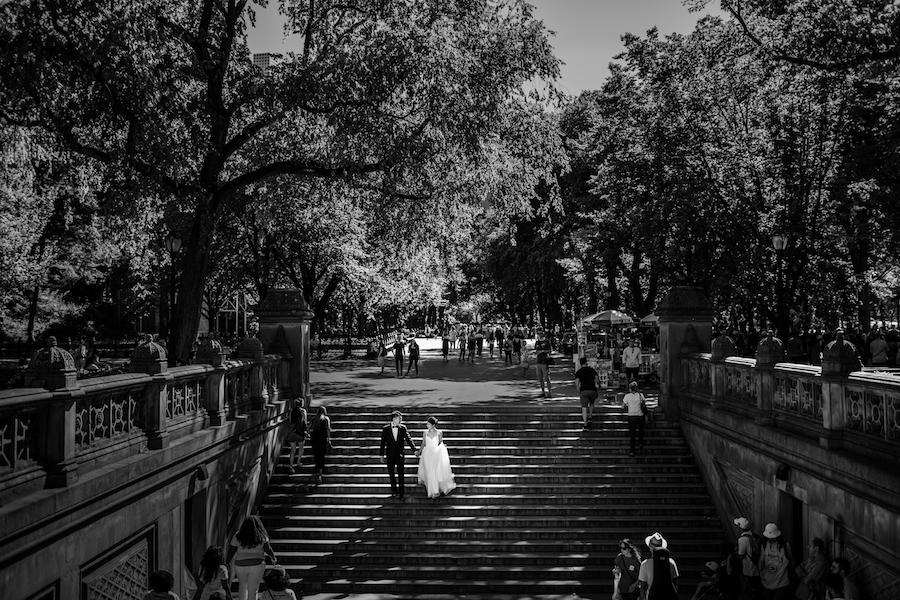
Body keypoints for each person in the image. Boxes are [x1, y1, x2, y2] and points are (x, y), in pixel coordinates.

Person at [226, 516, 276, 600]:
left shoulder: (238, 535)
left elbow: (232, 550)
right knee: (253, 589)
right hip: (257, 565)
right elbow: (268, 549)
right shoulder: (261, 535)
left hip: (240, 565)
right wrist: (273, 557)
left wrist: (227, 561)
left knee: (242, 586)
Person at [379, 410, 418, 501]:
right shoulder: (386, 429)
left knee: (401, 475)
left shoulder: (403, 428)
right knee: (391, 474)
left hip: (400, 455)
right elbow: (382, 443)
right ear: (394, 419)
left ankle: (401, 494)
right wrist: (381, 455)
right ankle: (394, 491)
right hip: (390, 455)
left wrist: (414, 450)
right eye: (399, 418)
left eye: (401, 418)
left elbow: (409, 439)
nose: (400, 420)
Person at [417, 416, 457, 499]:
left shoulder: (439, 432)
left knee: (434, 472)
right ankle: (432, 491)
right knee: (429, 472)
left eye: (428, 424)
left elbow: (440, 443)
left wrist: (442, 447)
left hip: (436, 454)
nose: (427, 425)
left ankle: (435, 491)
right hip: (427, 454)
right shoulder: (425, 433)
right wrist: (419, 452)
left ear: (433, 424)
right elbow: (423, 444)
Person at [638, 532, 679, 600]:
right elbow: (675, 584)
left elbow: (643, 587)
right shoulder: (671, 562)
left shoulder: (645, 564)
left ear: (650, 546)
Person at [758, 523, 793, 600]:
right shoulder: (764, 545)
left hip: (781, 583)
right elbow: (761, 561)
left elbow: (791, 560)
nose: (771, 539)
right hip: (766, 581)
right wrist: (760, 574)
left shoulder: (785, 545)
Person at [734, 516, 762, 600]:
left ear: (740, 528)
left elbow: (741, 556)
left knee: (751, 591)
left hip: (749, 569)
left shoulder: (742, 539)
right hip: (758, 568)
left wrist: (736, 551)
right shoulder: (756, 537)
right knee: (757, 590)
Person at [574, 357, 599, 430]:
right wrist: (596, 386)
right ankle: (590, 416)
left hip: (584, 391)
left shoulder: (578, 372)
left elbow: (577, 383)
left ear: (580, 363)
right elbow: (597, 379)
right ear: (586, 362)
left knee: (584, 407)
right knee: (591, 403)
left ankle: (585, 424)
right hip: (592, 390)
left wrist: (579, 391)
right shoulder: (592, 370)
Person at [310, 406, 332, 484]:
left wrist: (311, 435)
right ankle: (320, 475)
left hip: (314, 439)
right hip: (322, 439)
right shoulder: (326, 419)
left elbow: (309, 428)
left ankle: (317, 471)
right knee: (321, 456)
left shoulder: (314, 419)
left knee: (316, 455)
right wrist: (329, 439)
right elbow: (328, 429)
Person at [622, 382, 646, 456]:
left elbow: (622, 406)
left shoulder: (627, 396)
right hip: (640, 416)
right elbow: (644, 404)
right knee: (641, 431)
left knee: (632, 434)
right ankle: (641, 443)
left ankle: (632, 451)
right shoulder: (640, 395)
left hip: (631, 416)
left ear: (630, 389)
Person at [285, 404, 308, 475]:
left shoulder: (291, 411)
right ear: (302, 404)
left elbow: (290, 421)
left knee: (293, 450)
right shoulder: (303, 411)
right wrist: (306, 431)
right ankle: (298, 462)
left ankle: (291, 466)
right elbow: (305, 422)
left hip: (292, 433)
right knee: (301, 448)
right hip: (300, 433)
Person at [534, 329, 553, 398]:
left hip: (545, 362)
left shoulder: (547, 341)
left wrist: (542, 351)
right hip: (538, 362)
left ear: (543, 334)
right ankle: (543, 392)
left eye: (540, 333)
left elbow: (550, 351)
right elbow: (536, 351)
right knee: (540, 378)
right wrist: (538, 352)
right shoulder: (537, 342)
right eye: (538, 333)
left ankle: (550, 392)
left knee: (547, 378)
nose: (539, 334)